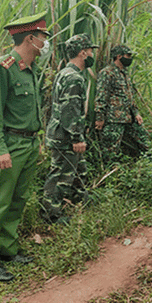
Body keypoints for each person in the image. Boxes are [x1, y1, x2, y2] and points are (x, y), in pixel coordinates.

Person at [0, 12, 51, 281]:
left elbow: (32, 110)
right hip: (9, 145)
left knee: (17, 200)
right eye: (43, 37)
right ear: (30, 38)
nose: (46, 42)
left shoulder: (31, 70)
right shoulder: (2, 67)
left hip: (28, 143)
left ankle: (7, 249)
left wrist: (36, 140)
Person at [42, 34, 98, 224]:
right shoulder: (74, 78)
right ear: (82, 53)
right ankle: (51, 214)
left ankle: (79, 198)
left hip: (61, 132)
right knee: (60, 174)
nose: (92, 54)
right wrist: (77, 138)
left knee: (78, 168)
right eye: (90, 50)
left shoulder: (65, 72)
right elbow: (70, 110)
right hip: (64, 135)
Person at [94, 45, 151, 164]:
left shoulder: (124, 74)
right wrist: (99, 117)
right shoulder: (107, 73)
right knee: (110, 151)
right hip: (114, 119)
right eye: (128, 56)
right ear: (119, 56)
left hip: (129, 117)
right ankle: (109, 175)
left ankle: (148, 167)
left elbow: (129, 95)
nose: (130, 58)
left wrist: (136, 113)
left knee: (144, 141)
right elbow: (101, 96)